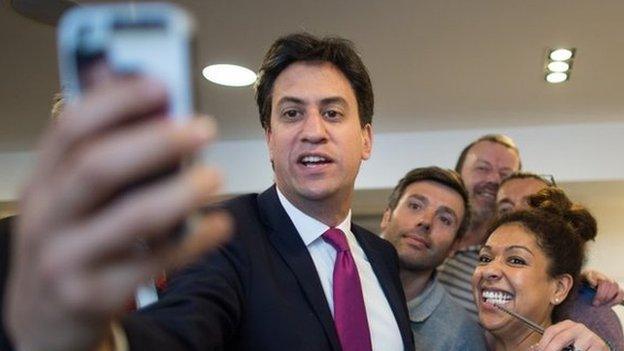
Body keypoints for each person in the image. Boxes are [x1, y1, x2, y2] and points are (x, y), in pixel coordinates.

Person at [5, 33, 414, 351]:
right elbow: (178, 330)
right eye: (292, 114)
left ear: (365, 139)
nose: (312, 131)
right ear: (270, 139)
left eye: (332, 112)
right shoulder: (225, 236)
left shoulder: (381, 257)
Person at [473, 187, 613, 351]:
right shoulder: (458, 340)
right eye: (485, 258)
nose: (489, 270)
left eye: (516, 260)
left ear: (559, 288)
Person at [381, 166, 487, 350]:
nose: (426, 221)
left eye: (445, 219)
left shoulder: (463, 337)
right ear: (387, 216)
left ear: (455, 245)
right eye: (415, 206)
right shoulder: (335, 278)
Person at [437, 134, 522, 317]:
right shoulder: (419, 234)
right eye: (483, 168)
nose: (494, 180)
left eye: (505, 174)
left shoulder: (507, 266)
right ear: (458, 175)